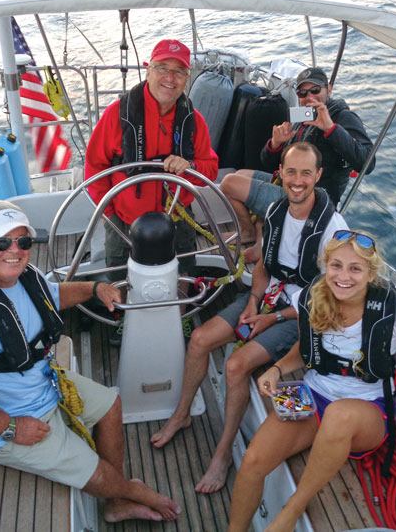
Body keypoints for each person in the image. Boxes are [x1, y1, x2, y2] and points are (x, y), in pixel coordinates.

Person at [228, 230, 396, 531]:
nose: (343, 276)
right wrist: (278, 369)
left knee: (339, 415)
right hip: (314, 393)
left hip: (365, 411)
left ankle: (293, 508)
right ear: (326, 266)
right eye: (336, 266)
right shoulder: (313, 296)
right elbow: (305, 349)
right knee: (253, 461)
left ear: (371, 274)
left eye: (355, 268)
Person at [0, 200, 181, 523]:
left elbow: (53, 296)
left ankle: (115, 501)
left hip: (44, 384)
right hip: (8, 418)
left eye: (23, 242)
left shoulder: (20, 275)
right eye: (2, 242)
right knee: (97, 474)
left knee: (110, 405)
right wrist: (11, 428)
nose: (15, 250)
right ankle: (131, 492)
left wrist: (95, 288)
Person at [150, 142, 349, 494]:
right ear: (281, 175)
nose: (297, 181)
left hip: (299, 315)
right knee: (199, 340)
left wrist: (271, 318)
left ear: (318, 176)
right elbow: (265, 267)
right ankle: (181, 415)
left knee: (235, 366)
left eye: (306, 173)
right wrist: (254, 302)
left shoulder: (333, 229)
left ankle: (223, 454)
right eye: (291, 172)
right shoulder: (275, 211)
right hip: (268, 301)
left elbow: (327, 296)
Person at [84, 38, 219, 284]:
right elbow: (95, 169)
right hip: (124, 217)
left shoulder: (193, 120)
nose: (170, 77)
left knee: (184, 271)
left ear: (187, 78)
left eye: (179, 71)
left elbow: (210, 170)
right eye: (162, 68)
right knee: (119, 275)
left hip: (177, 214)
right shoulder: (117, 114)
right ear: (148, 70)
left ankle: (182, 316)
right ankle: (122, 318)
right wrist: (110, 213)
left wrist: (191, 166)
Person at [220, 66, 373, 263]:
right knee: (241, 173)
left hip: (312, 200)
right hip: (290, 185)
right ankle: (255, 234)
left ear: (329, 89)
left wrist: (331, 129)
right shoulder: (303, 118)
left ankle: (257, 237)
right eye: (303, 93)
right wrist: (276, 145)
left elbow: (367, 162)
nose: (309, 97)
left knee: (229, 183)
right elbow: (271, 165)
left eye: (315, 90)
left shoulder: (343, 118)